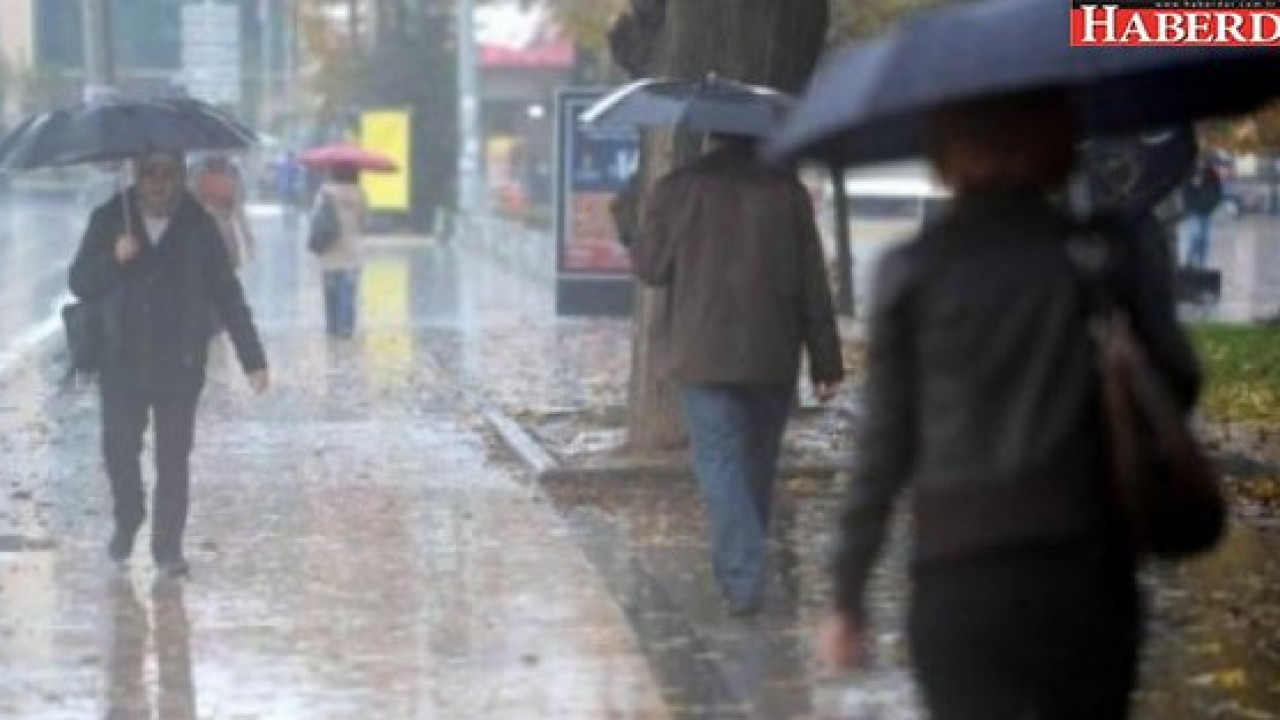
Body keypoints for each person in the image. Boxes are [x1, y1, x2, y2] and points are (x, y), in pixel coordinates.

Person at [815, 90, 1202, 720]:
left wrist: (847, 594)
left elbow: (883, 447)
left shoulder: (914, 270)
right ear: (1059, 144)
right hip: (1086, 566)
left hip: (961, 573)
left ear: (945, 152)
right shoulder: (1103, 255)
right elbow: (1178, 383)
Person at [631, 135, 845, 616]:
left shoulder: (678, 188)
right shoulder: (787, 192)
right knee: (756, 465)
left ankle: (743, 578)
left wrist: (630, 218)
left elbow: (651, 268)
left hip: (702, 353)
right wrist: (826, 360)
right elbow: (814, 282)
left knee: (720, 461)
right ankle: (744, 571)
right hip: (773, 352)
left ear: (710, 136)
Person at [69, 150, 270, 579]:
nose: (159, 183)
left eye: (168, 174)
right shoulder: (110, 218)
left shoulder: (198, 225)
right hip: (121, 361)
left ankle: (168, 548)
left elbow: (227, 293)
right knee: (119, 450)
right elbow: (80, 281)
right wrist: (113, 258)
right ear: (137, 175)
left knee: (174, 458)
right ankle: (129, 517)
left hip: (180, 363)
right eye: (150, 173)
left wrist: (252, 359)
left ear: (181, 177)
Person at [312, 164, 367, 339]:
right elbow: (364, 220)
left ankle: (332, 327)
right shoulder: (360, 193)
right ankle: (346, 328)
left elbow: (316, 217)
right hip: (352, 250)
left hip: (330, 250)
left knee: (331, 292)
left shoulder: (325, 192)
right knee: (348, 293)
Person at [191, 154, 255, 272]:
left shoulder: (230, 176)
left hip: (221, 231)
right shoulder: (199, 175)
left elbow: (238, 209)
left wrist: (247, 237)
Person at [1180, 157, 1223, 269]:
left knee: (1203, 239)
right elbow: (1185, 191)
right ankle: (1190, 262)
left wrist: (1211, 205)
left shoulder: (1211, 175)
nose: (1201, 162)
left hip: (1205, 212)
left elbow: (1217, 193)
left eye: (1203, 159)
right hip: (1194, 211)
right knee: (1195, 236)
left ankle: (1199, 265)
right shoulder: (1190, 173)